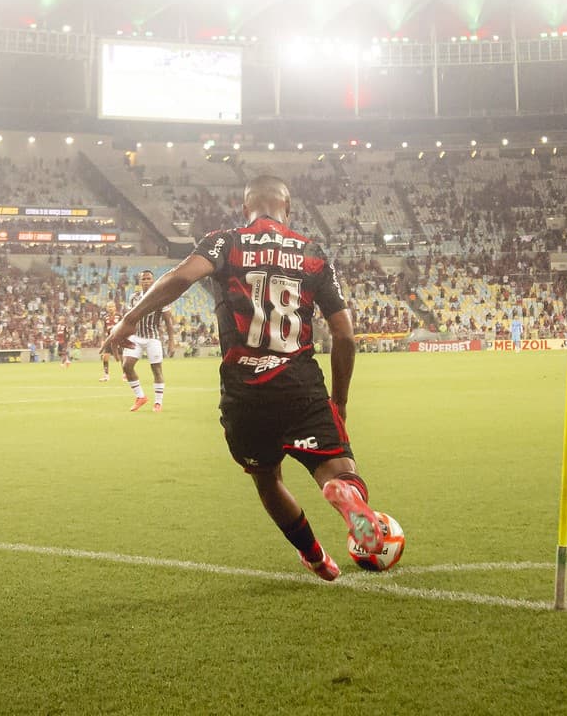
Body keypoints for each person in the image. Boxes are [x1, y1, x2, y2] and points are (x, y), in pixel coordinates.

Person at [101, 174, 387, 580]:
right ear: (287, 210)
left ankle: (316, 556)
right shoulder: (312, 253)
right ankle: (342, 492)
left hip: (243, 393)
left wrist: (130, 319)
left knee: (267, 479)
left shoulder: (225, 242)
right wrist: (339, 400)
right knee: (339, 469)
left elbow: (180, 278)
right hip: (301, 385)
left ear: (245, 208)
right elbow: (344, 335)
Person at [121, 270, 176, 411]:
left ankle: (158, 402)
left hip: (152, 338)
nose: (145, 281)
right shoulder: (134, 297)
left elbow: (168, 321)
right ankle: (140, 397)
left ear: (153, 280)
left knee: (156, 369)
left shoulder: (161, 297)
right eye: (143, 278)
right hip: (136, 337)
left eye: (148, 278)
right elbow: (129, 318)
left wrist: (171, 342)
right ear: (140, 281)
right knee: (126, 366)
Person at [99, 300, 119, 382]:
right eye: (109, 307)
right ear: (107, 308)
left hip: (118, 338)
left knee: (121, 357)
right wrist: (103, 340)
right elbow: (104, 330)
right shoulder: (105, 317)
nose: (110, 308)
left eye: (112, 306)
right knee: (105, 357)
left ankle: (125, 374)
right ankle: (106, 375)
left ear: (115, 307)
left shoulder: (119, 316)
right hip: (109, 339)